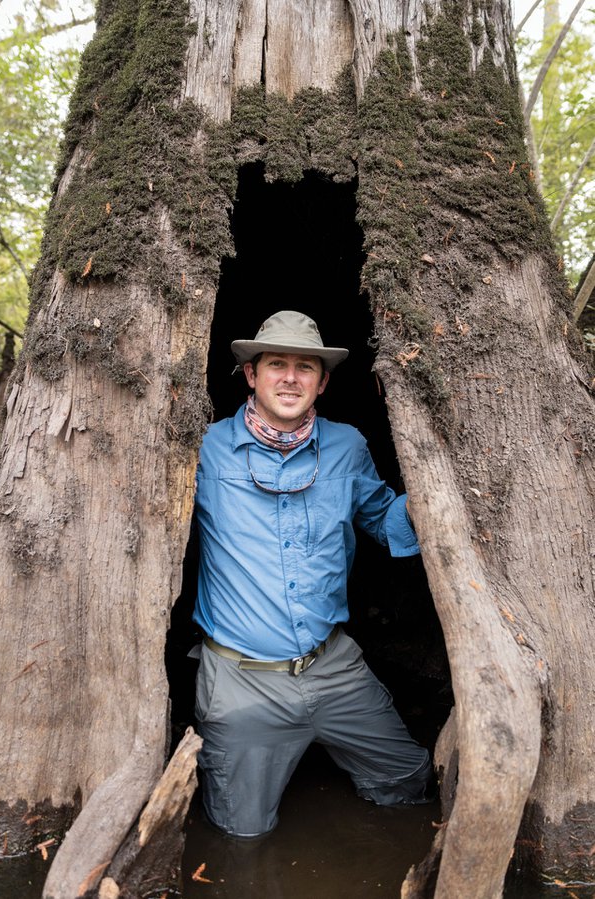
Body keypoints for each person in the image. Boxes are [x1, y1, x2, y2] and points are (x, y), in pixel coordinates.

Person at [192, 310, 433, 838]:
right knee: (242, 834)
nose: (290, 377)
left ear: (322, 382)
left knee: (408, 783)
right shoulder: (203, 450)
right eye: (276, 364)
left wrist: (441, 489)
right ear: (251, 375)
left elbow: (379, 517)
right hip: (241, 681)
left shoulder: (346, 446)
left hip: (334, 666)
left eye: (306, 367)